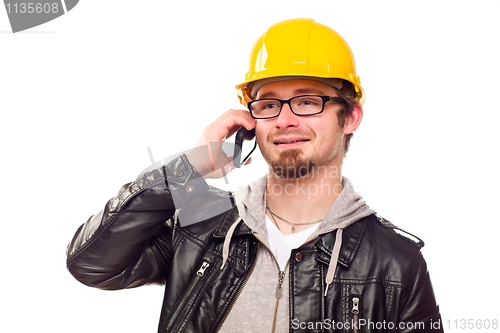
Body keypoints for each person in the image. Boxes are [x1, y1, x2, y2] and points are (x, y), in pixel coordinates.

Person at [66, 18, 442, 332]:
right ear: (250, 122)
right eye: (268, 103)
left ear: (351, 117)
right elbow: (91, 263)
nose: (284, 119)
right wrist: (190, 169)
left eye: (308, 101)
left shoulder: (396, 263)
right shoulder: (201, 226)